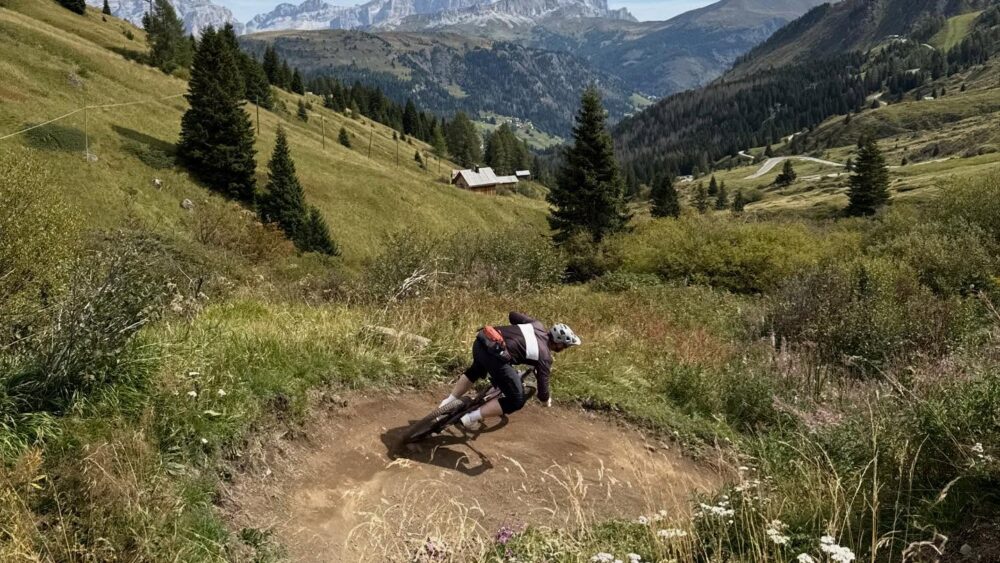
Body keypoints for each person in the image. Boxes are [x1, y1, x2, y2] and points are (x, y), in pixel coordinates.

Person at [439, 312, 581, 428]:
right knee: (516, 400)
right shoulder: (545, 357)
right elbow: (542, 392)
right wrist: (546, 400)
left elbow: (513, 315)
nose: (564, 349)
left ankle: (447, 403)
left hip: (482, 341)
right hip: (496, 358)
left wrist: (520, 330)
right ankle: (470, 418)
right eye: (565, 346)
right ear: (558, 343)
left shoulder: (536, 325)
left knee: (476, 369)